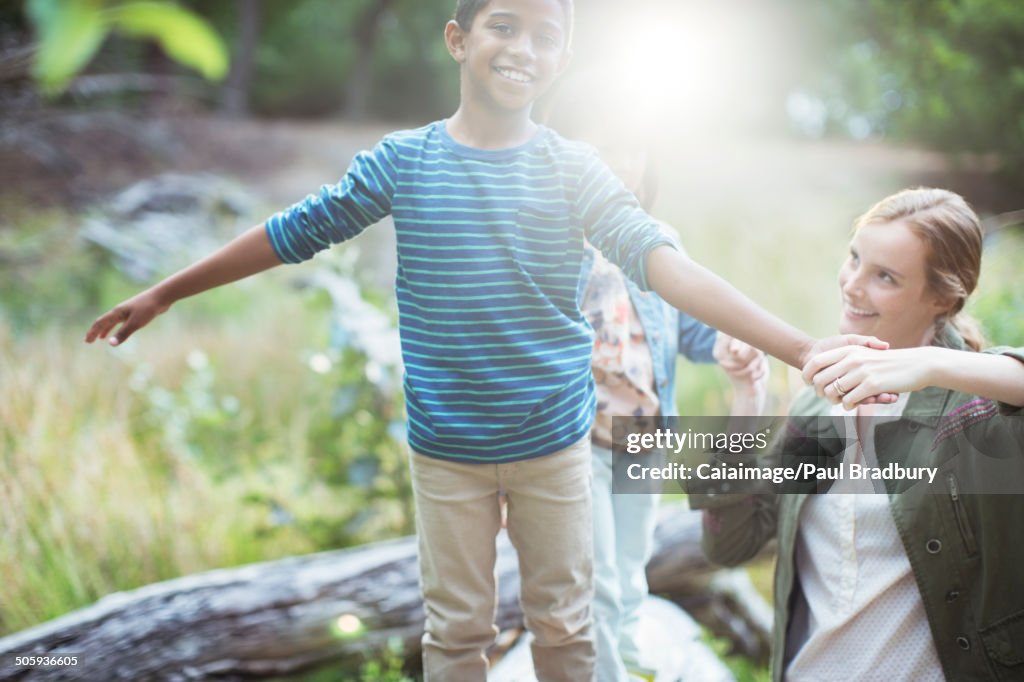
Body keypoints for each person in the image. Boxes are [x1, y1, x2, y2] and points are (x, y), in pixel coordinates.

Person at [85, 1, 887, 679]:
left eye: (546, 36)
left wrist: (803, 348)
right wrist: (166, 290)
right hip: (447, 455)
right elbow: (293, 232)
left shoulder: (575, 171)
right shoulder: (404, 162)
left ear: (560, 60)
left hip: (556, 449)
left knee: (569, 631)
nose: (525, 49)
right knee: (458, 635)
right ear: (458, 39)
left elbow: (665, 266)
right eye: (506, 26)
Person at [692, 187, 1024, 681]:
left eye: (884, 276)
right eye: (854, 259)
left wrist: (927, 363)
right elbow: (730, 545)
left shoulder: (978, 413)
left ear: (942, 298)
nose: (851, 284)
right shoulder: (817, 409)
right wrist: (746, 400)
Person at [545, 75, 768, 681]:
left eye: (629, 152)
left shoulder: (661, 247)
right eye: (598, 155)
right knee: (593, 573)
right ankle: (605, 668)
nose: (618, 168)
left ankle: (624, 637)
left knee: (630, 558)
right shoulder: (552, 244)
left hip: (645, 436)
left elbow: (689, 331)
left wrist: (727, 345)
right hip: (577, 438)